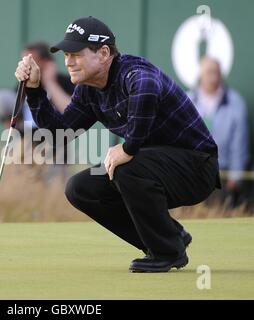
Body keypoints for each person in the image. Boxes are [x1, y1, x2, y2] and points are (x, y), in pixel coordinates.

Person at [15, 16, 221, 272]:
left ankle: (167, 252)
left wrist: (127, 147)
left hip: (196, 168)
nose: (68, 62)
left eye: (76, 54)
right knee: (80, 188)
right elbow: (59, 133)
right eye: (67, 55)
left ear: (103, 53)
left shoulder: (134, 72)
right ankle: (170, 237)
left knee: (125, 166)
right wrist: (34, 90)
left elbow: (147, 88)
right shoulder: (89, 91)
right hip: (154, 169)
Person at [0, 41, 74, 181]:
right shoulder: (22, 84)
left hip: (54, 147)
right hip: (26, 146)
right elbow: (11, 117)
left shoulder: (62, 82)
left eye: (32, 60)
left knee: (54, 189)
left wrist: (50, 82)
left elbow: (70, 110)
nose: (27, 65)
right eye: (24, 60)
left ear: (46, 62)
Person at [187, 56, 249, 208]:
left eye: (216, 72)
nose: (213, 77)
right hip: (190, 172)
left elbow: (240, 144)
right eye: (209, 72)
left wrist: (235, 178)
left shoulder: (236, 102)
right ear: (200, 74)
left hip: (221, 174)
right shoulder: (186, 99)